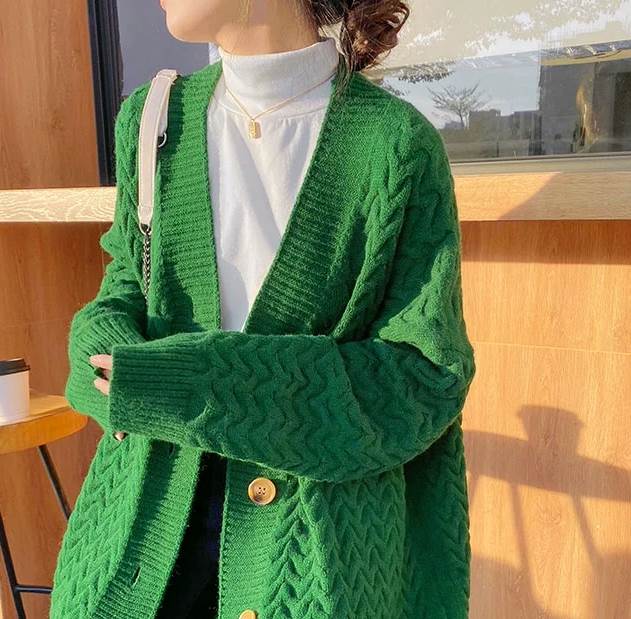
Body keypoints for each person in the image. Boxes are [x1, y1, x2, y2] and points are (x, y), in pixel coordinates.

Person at [50, 1, 477, 618]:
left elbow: (422, 377)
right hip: (142, 523)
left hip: (311, 549)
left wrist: (200, 383)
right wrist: (102, 353)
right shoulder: (152, 120)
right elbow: (126, 282)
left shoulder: (395, 146)